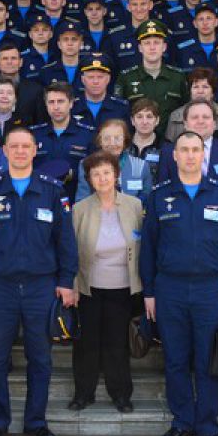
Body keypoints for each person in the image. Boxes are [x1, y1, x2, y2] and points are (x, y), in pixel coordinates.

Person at [0, 127, 78, 436]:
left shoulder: (52, 190)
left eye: (25, 146)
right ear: (5, 151)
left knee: (40, 358)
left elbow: (65, 240)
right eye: (13, 146)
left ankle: (36, 421)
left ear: (34, 150)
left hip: (41, 287)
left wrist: (66, 281)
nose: (19, 151)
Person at [140, 131, 218, 436]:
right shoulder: (160, 196)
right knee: (175, 360)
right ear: (174, 156)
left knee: (208, 361)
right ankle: (182, 422)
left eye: (195, 150)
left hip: (210, 290)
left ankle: (208, 429)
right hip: (169, 289)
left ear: (203, 155)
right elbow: (148, 248)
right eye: (183, 150)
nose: (189, 155)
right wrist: (149, 292)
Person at [70, 151, 144, 412]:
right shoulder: (80, 209)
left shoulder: (135, 206)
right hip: (88, 288)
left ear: (116, 175)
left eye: (106, 173)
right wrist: (73, 285)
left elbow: (143, 245)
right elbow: (71, 251)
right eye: (96, 174)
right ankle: (83, 393)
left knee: (117, 343)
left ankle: (121, 394)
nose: (102, 178)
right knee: (86, 343)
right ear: (89, 179)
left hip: (123, 287)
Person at [115, 21, 188, 136]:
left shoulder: (178, 77)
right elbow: (119, 114)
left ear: (164, 47)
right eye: (147, 43)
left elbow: (186, 111)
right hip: (135, 141)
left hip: (171, 140)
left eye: (156, 43)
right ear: (140, 48)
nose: (152, 47)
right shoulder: (126, 78)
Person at [155, 99, 218, 188]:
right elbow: (163, 190)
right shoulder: (168, 152)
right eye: (194, 117)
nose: (200, 121)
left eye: (206, 117)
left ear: (214, 124)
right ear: (185, 124)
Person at [31, 81, 95, 196]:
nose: (56, 107)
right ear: (46, 105)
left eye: (60, 101)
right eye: (51, 102)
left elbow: (94, 170)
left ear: (71, 103)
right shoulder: (34, 135)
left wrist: (71, 173)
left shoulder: (88, 134)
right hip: (40, 197)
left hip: (76, 198)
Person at [74, 119, 152, 202]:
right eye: (106, 138)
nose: (112, 143)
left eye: (117, 138)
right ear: (100, 141)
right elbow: (82, 200)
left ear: (125, 140)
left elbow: (147, 197)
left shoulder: (141, 166)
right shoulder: (87, 164)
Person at [164, 68, 218, 143]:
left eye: (205, 87)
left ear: (213, 92)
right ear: (190, 91)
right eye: (196, 87)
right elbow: (170, 145)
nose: (200, 91)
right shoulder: (176, 116)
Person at [127, 97, 164, 166]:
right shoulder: (123, 145)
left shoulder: (165, 147)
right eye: (139, 117)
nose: (144, 122)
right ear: (132, 121)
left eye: (149, 117)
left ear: (157, 120)